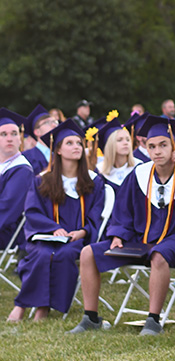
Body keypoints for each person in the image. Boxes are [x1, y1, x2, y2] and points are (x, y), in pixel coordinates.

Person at [68, 115, 175, 336]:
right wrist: (118, 235)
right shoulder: (139, 174)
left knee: (159, 255)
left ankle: (153, 320)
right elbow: (122, 212)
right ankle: (91, 318)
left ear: (174, 146)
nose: (157, 151)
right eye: (152, 146)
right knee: (89, 252)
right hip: (139, 240)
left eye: (163, 145)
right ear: (146, 148)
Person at [8, 120, 105, 322]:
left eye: (79, 143)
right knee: (42, 253)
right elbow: (32, 212)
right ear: (58, 150)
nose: (76, 147)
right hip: (47, 236)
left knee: (63, 255)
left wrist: (83, 231)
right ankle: (26, 305)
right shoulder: (43, 180)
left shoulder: (93, 181)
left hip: (77, 239)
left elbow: (97, 214)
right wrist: (53, 229)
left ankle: (41, 308)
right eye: (69, 143)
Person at [0, 109, 33, 250]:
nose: (9, 138)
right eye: (3, 134)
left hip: (7, 232)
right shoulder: (3, 165)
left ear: (20, 139)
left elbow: (7, 211)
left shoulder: (22, 170)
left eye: (14, 134)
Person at [95, 117, 137, 193]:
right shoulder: (100, 171)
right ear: (110, 145)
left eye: (128, 139)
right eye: (119, 140)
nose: (125, 143)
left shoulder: (138, 168)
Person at [22, 105, 59, 173]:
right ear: (37, 131)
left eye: (55, 122)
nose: (54, 125)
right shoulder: (26, 157)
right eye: (47, 122)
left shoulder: (62, 153)